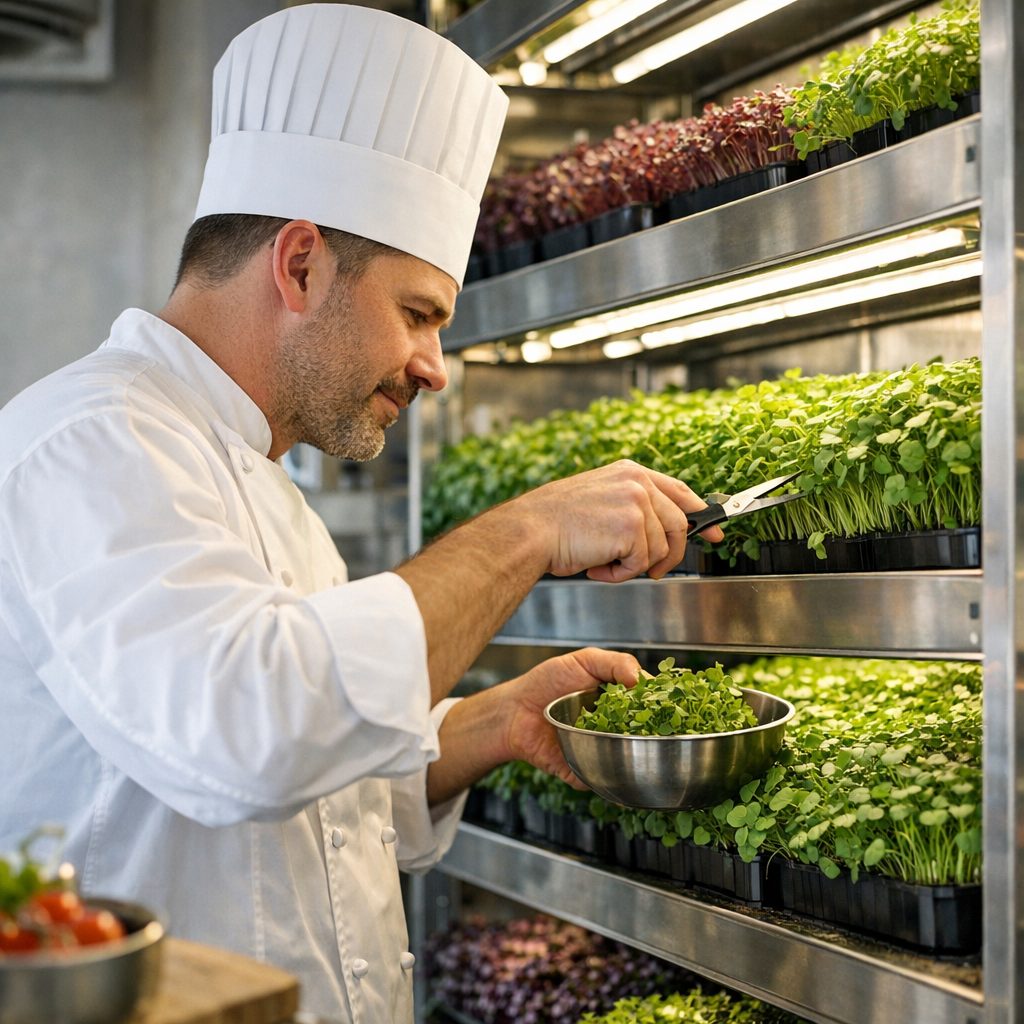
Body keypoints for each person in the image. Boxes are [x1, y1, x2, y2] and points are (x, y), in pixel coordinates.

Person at [0, 5, 720, 1021]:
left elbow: (318, 804)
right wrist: (525, 529)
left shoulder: (266, 489)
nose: (433, 364)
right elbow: (249, 736)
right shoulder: (87, 442)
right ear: (299, 264)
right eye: (419, 312)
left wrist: (488, 722)